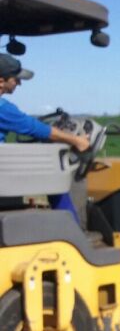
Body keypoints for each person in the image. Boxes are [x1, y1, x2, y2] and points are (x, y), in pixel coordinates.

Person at [0, 53, 89, 223]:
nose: (19, 83)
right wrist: (77, 140)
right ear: (1, 81)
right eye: (15, 79)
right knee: (54, 174)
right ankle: (71, 227)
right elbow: (38, 129)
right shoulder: (3, 108)